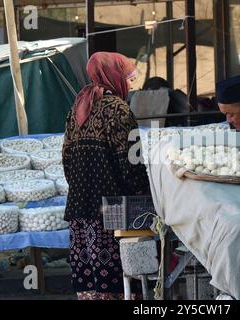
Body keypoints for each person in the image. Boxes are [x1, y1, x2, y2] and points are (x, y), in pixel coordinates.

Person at [62, 52, 150, 300]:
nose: (130, 85)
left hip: (80, 209)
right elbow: (132, 163)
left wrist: (82, 188)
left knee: (90, 282)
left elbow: (67, 159)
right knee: (119, 282)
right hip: (111, 212)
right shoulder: (118, 110)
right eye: (128, 78)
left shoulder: (77, 108)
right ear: (115, 76)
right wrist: (144, 195)